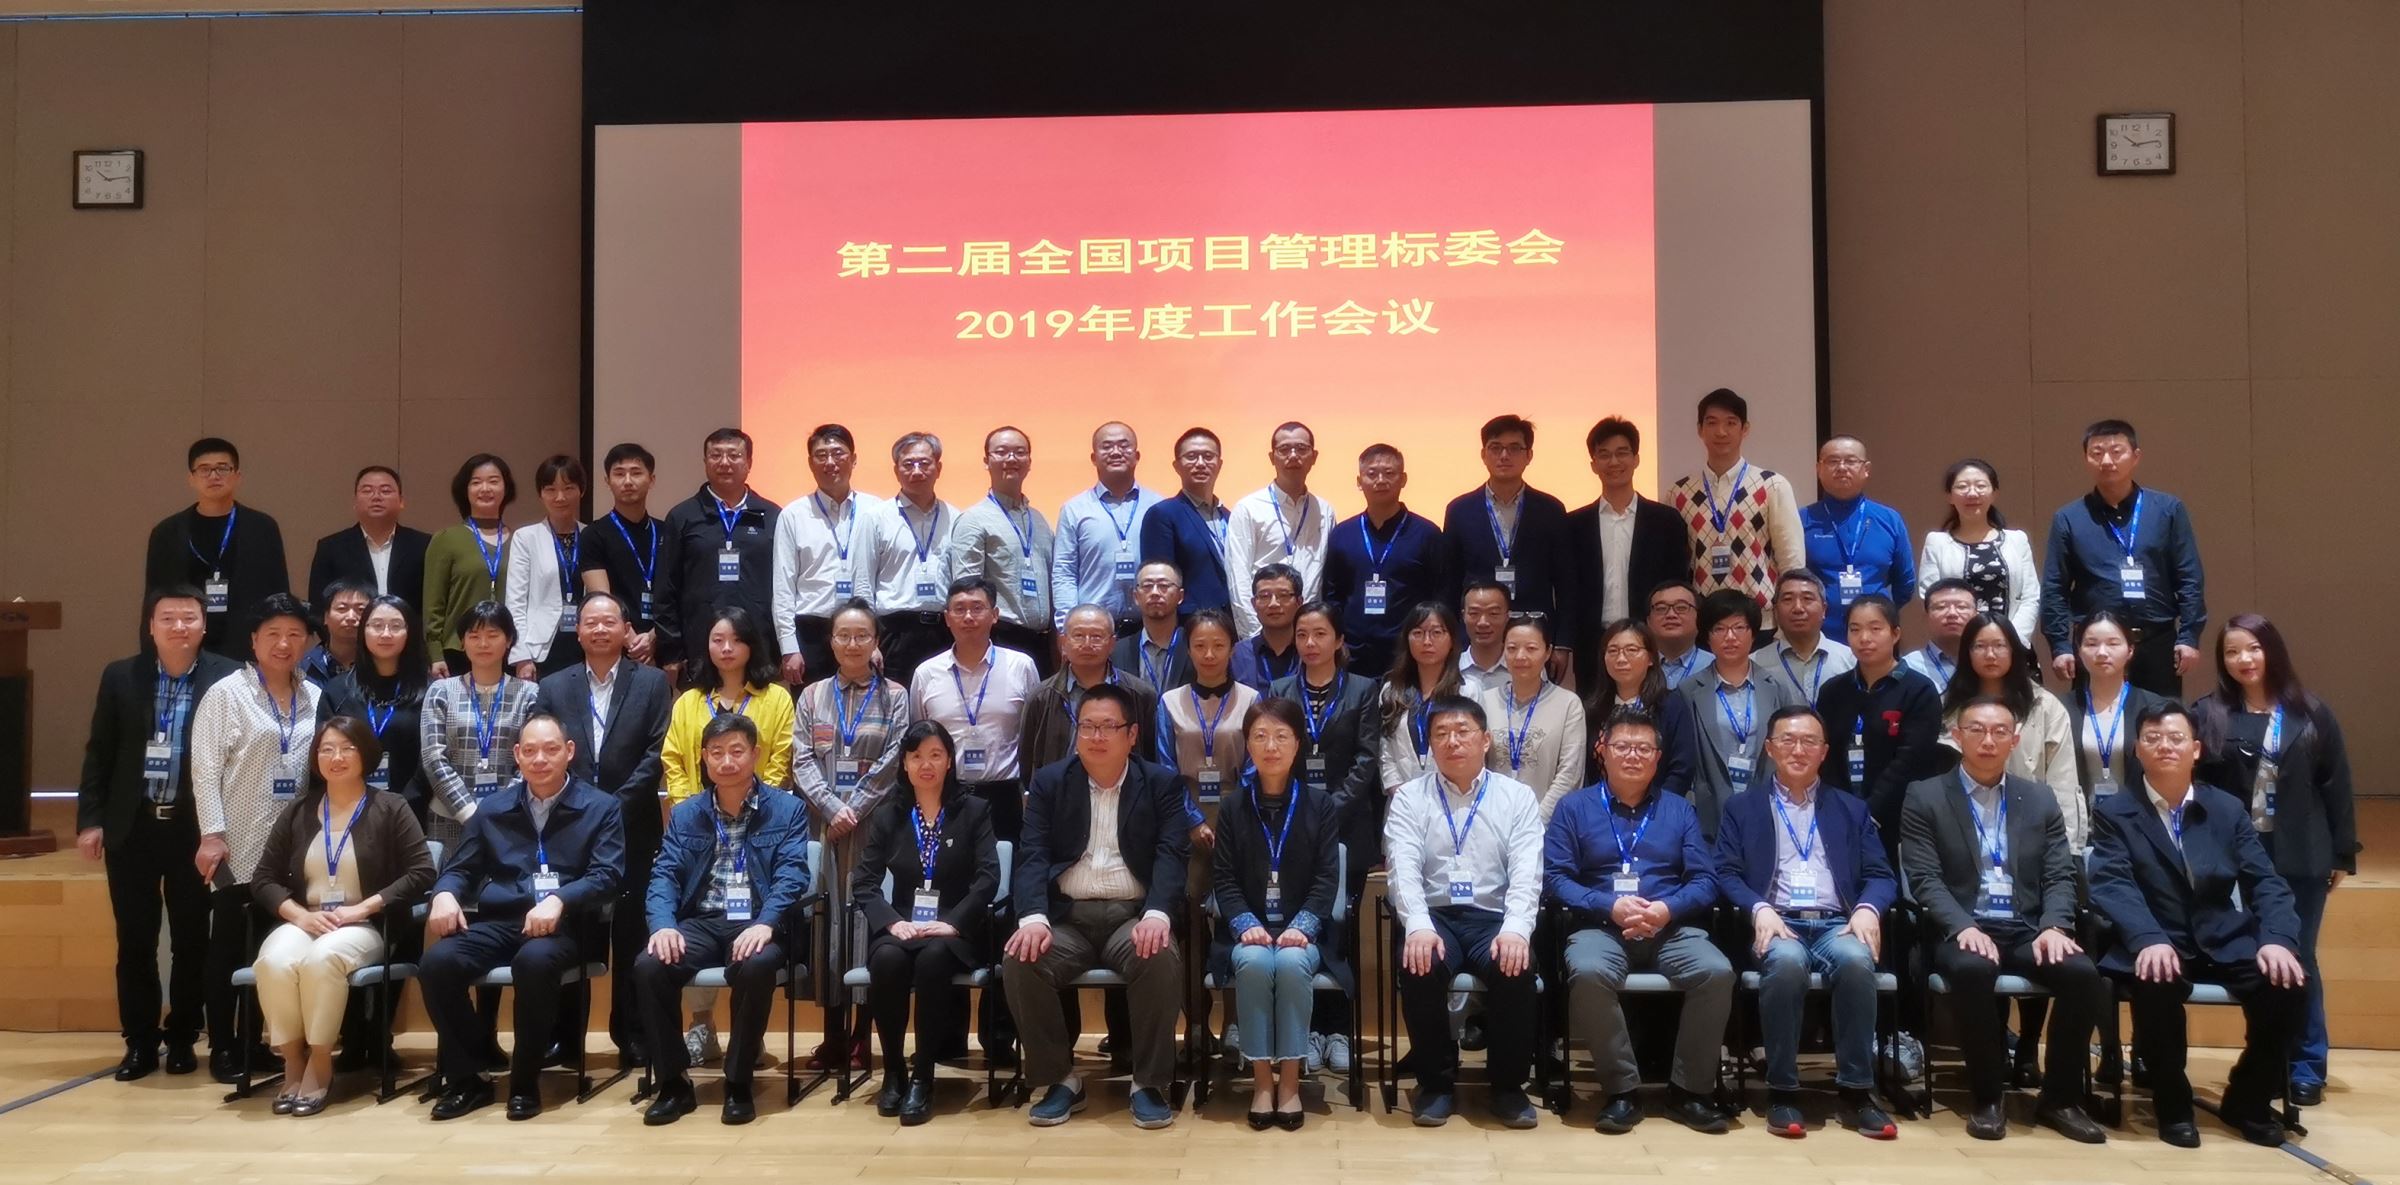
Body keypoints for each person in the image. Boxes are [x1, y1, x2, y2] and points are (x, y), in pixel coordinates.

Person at [2087, 700, 2306, 1148]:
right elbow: (2112, 883)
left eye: (2176, 738)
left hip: (2222, 936)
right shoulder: (2115, 812)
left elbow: (2266, 882)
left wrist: (2278, 939)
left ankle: (2248, 1098)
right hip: (2155, 937)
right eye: (2152, 738)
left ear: (2196, 749)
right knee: (2156, 981)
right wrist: (2148, 938)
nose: (2165, 746)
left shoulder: (2226, 809)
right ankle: (2173, 1104)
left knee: (2288, 985)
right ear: (2137, 750)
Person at [1900, 698, 2109, 1143]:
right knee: (1973, 968)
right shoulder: (1925, 795)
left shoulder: (2038, 797)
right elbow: (1924, 878)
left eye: (1999, 732)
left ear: (2015, 741)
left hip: (2028, 927)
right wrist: (1963, 926)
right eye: (1976, 729)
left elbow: (2059, 873)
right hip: (1962, 928)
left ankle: (2060, 1099)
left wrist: (2055, 925)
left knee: (2081, 974)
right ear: (1957, 736)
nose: (1988, 740)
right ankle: (1987, 1098)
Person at [419, 713, 627, 1120]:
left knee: (533, 962)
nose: (540, 759)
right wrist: (444, 893)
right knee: (437, 963)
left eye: (551, 749)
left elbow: (608, 875)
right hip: (502, 921)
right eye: (530, 751)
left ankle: (525, 1082)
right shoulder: (493, 808)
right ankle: (469, 1078)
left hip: (567, 927)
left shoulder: (601, 807)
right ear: (517, 755)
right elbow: (463, 867)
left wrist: (560, 899)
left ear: (569, 751)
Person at [1002, 683, 1189, 1129]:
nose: (1096, 736)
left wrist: (1157, 914)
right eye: (1087, 726)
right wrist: (1033, 918)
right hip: (1068, 918)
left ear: (1132, 735)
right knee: (1021, 957)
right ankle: (1060, 1080)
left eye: (1108, 726)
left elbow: (1171, 854)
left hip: (1132, 915)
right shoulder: (1050, 782)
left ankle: (1148, 1083)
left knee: (1158, 955)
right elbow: (1032, 855)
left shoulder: (1160, 783)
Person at [78, 586, 242, 1081]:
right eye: (167, 618)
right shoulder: (121, 676)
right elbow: (100, 751)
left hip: (195, 831)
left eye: (188, 617)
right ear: (150, 626)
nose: (178, 627)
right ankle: (140, 1042)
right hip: (133, 827)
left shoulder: (227, 676)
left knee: (191, 939)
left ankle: (184, 1036)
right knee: (135, 940)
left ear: (204, 625)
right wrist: (91, 820)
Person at [2194, 614, 2356, 1105]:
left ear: (2272, 651)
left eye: (2253, 649)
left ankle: (2307, 1065)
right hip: (2235, 860)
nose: (2243, 659)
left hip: (2300, 854)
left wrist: (2342, 853)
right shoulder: (2209, 713)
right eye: (2231, 652)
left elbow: (2336, 784)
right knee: (2252, 959)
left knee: (2298, 956)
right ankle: (2266, 1059)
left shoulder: (2310, 712)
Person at [1715, 704, 1898, 1139]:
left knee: (1856, 961)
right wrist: (1758, 908)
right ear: (1770, 748)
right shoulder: (1742, 808)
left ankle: (1856, 1091)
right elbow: (1725, 872)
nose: (1798, 750)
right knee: (1786, 963)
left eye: (1809, 741)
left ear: (1824, 751)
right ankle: (1782, 1090)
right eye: (1788, 740)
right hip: (1777, 921)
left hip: (1838, 922)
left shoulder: (1851, 809)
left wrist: (1867, 909)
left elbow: (1881, 875)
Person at [1547, 708, 1730, 1134]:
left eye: (1644, 748)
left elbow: (1705, 879)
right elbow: (1555, 879)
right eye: (1623, 746)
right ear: (1603, 751)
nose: (1633, 756)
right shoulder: (1573, 808)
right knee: (1588, 972)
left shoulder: (1679, 810)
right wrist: (1607, 905)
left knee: (1717, 972)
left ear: (1658, 757)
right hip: (1600, 926)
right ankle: (1622, 1092)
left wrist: (1667, 909)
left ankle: (1689, 1092)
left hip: (1669, 927)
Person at [248, 716, 435, 1114]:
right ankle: (292, 1061)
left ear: (365, 754)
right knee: (273, 961)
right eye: (327, 749)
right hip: (307, 919)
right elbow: (263, 878)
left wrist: (364, 907)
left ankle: (320, 1063)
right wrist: (298, 916)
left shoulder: (391, 807)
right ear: (316, 758)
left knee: (323, 959)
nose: (337, 757)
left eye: (347, 748)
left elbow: (422, 872)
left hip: (364, 923)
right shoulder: (299, 810)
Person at [634, 713, 812, 1127]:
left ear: (756, 754)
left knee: (757, 964)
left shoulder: (787, 809)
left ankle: (738, 1080)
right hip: (701, 921)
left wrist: (766, 922)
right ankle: (674, 1083)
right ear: (703, 757)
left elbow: (792, 875)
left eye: (736, 751)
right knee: (649, 965)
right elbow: (664, 874)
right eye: (717, 753)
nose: (727, 761)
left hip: (757, 921)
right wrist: (663, 924)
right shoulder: (686, 813)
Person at [1385, 695, 1543, 1129]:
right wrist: (1417, 926)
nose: (1452, 741)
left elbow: (1527, 871)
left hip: (1493, 917)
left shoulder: (1516, 797)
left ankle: (1507, 1086)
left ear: (1485, 740)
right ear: (1430, 744)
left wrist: (1516, 929)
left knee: (1516, 966)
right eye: (1441, 734)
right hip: (1435, 917)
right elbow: (1402, 869)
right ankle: (1436, 1083)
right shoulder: (1410, 798)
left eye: (1462, 732)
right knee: (1418, 965)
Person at [533, 591, 675, 1069]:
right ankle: (566, 1036)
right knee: (573, 928)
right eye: (590, 622)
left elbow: (657, 752)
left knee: (633, 931)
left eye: (608, 621)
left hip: (634, 824)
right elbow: (547, 751)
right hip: (570, 827)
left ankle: (631, 1033)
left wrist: (611, 807)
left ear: (625, 629)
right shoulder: (554, 686)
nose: (598, 629)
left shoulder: (652, 682)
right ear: (577, 631)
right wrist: (587, 809)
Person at [192, 593, 324, 1083]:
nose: (284, 644)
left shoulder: (315, 696)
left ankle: (255, 1042)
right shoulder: (226, 694)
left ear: (307, 642)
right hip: (238, 844)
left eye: (294, 635)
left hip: (292, 850)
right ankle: (223, 1047)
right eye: (273, 634)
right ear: (253, 640)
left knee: (269, 950)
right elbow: (205, 770)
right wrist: (212, 834)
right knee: (228, 946)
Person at [853, 721, 1000, 1125]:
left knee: (934, 958)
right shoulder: (890, 815)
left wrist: (954, 923)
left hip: (953, 930)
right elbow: (864, 882)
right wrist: (890, 923)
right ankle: (894, 1071)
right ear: (904, 763)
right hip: (902, 925)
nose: (926, 764)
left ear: (950, 761)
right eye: (916, 756)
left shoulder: (974, 811)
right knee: (887, 961)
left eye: (936, 755)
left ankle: (923, 1075)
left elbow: (988, 878)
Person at [1211, 698, 1344, 1131]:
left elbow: (1327, 877)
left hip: (1303, 933)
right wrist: (1245, 923)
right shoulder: (1233, 806)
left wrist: (1302, 926)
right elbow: (1224, 877)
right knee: (1252, 962)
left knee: (1289, 963)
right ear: (1247, 744)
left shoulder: (1320, 805)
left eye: (1281, 736)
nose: (1271, 746)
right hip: (1247, 931)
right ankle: (1261, 1082)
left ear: (1297, 744)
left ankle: (1289, 1082)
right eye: (1261, 736)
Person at [791, 599, 911, 1069]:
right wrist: (831, 807)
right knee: (826, 922)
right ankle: (833, 1035)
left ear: (876, 641)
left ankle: (863, 1035)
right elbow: (802, 758)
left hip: (875, 826)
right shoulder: (812, 696)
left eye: (862, 635)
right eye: (844, 635)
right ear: (831, 641)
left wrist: (854, 808)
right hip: (824, 827)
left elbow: (895, 759)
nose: (853, 643)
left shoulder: (895, 696)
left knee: (865, 918)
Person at [1269, 600, 1380, 1074]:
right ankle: (1308, 1030)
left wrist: (1329, 810)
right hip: (1293, 825)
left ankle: (1339, 1029)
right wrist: (1304, 810)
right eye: (1302, 635)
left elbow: (1367, 757)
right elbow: (1274, 752)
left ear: (1339, 640)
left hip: (1349, 827)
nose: (1310, 643)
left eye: (1320, 634)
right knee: (1303, 922)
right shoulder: (1279, 689)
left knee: (1341, 927)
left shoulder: (1363, 689)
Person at [2040, 420, 2206, 696]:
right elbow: (2054, 587)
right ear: (2086, 459)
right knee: (2095, 720)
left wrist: (2189, 636)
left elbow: (2189, 577)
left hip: (2157, 642)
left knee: (2161, 718)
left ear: (2136, 456)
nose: (2106, 460)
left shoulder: (2167, 510)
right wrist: (2059, 644)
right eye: (2097, 453)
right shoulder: (2068, 518)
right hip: (2096, 647)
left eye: (2116, 452)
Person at [1443, 416, 1573, 682]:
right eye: (1496, 448)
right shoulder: (1459, 510)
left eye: (1514, 448)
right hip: (1476, 636)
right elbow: (1450, 581)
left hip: (1534, 634)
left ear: (1529, 455)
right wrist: (1451, 639)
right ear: (1483, 454)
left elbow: (1566, 582)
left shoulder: (1551, 510)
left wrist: (1562, 643)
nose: (1504, 455)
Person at [1565, 417, 1689, 692]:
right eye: (1604, 454)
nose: (1614, 462)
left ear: (1636, 459)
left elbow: (1677, 582)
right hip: (1593, 645)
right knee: (1595, 712)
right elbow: (1568, 590)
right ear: (1593, 464)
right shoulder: (1574, 525)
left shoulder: (1666, 521)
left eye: (1622, 453)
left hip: (1650, 642)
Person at [1940, 615, 2083, 852]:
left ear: (2014, 651)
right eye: (1980, 646)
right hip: (1962, 831)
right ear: (1967, 653)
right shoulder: (1947, 707)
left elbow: (2063, 783)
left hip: (2031, 831)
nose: (1990, 655)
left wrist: (2065, 849)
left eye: (1999, 645)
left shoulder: (2045, 706)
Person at [1819, 595, 1947, 857]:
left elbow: (1910, 761)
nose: (1864, 638)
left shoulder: (1919, 690)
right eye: (1855, 629)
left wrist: (1871, 812)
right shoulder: (1833, 691)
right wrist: (1843, 810)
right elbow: (1824, 756)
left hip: (1900, 817)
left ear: (1895, 633)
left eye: (1875, 628)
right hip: (1839, 815)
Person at [142, 438, 291, 660]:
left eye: (222, 468)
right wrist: (150, 657)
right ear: (191, 479)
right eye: (204, 469)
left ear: (237, 476)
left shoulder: (262, 527)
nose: (214, 476)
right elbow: (153, 599)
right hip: (184, 645)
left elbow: (279, 595)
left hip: (247, 647)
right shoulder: (168, 532)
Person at [654, 427, 782, 679]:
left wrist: (782, 649)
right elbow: (666, 588)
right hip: (698, 647)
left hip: (760, 646)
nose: (724, 462)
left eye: (734, 455)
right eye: (716, 455)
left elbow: (785, 587)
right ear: (705, 462)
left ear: (749, 463)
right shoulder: (682, 516)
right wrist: (671, 652)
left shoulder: (772, 516)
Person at [1679, 591, 1804, 836]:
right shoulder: (1689, 691)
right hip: (1710, 814)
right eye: (1719, 629)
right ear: (1707, 636)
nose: (1730, 637)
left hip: (1768, 808)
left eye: (1739, 627)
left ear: (1753, 634)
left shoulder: (1776, 687)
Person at [419, 601, 539, 850]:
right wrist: (470, 814)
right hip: (449, 817)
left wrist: (500, 811)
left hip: (511, 820)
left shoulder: (530, 694)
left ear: (509, 640)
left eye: (493, 635)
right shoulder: (441, 691)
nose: (483, 644)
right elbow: (433, 758)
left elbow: (532, 758)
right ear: (462, 642)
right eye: (474, 636)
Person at [772, 424, 885, 687]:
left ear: (853, 459)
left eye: (838, 453)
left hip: (861, 630)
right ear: (810, 463)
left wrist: (874, 639)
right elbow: (783, 585)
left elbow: (881, 577)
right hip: (811, 632)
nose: (830, 462)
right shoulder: (793, 515)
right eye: (821, 455)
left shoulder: (876, 510)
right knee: (813, 708)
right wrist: (789, 647)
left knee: (864, 704)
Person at [1667, 390, 1803, 608]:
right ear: (1700, 429)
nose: (1721, 432)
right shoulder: (1679, 493)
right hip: (1703, 616)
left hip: (1761, 616)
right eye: (1712, 423)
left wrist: (1791, 607)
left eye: (1731, 423)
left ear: (1745, 429)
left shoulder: (1772, 485)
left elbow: (1791, 560)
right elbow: (1675, 564)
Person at [1321, 444, 1445, 678]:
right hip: (1353, 654)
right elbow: (1332, 595)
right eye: (1372, 474)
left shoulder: (1427, 534)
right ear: (1359, 481)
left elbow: (1439, 595)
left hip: (1409, 654)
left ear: (1403, 479)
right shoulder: (1342, 534)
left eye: (1389, 473)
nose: (1380, 480)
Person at [1155, 609, 1257, 892]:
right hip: (1183, 808)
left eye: (1219, 645)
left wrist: (1232, 817)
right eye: (1199, 645)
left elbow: (1254, 764)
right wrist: (1193, 820)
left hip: (1239, 807)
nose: (1209, 654)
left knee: (1235, 891)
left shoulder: (1251, 699)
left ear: (1232, 649)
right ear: (1188, 650)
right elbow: (1165, 766)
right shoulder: (1169, 702)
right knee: (1187, 894)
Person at [662, 607, 796, 809]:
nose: (726, 648)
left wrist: (758, 806)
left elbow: (781, 760)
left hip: (761, 812)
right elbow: (673, 760)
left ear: (751, 644)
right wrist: (686, 808)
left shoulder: (777, 699)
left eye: (737, 640)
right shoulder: (687, 702)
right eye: (718, 640)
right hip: (697, 812)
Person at [855, 431, 957, 685]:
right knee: (894, 704)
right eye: (908, 464)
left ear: (939, 468)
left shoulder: (956, 518)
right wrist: (871, 642)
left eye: (924, 463)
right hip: (894, 633)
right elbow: (863, 583)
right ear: (896, 470)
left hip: (943, 632)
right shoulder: (876, 518)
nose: (917, 471)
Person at [951, 426, 1056, 671]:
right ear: (986, 461)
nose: (1011, 459)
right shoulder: (973, 520)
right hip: (1000, 640)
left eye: (1019, 452)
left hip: (1042, 642)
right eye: (1001, 452)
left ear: (1029, 462)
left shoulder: (1040, 521)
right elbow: (968, 590)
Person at [322, 596, 431, 825]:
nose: (386, 634)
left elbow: (431, 758)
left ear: (410, 631)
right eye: (377, 625)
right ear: (363, 631)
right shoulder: (338, 690)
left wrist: (401, 806)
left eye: (396, 626)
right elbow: (324, 754)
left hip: (411, 812)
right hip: (347, 810)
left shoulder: (430, 690)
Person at [1020, 604, 1161, 774]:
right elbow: (1027, 761)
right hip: (1059, 789)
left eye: (1096, 636)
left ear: (1112, 643)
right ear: (1064, 642)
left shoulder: (1140, 694)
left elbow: (1150, 758)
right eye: (1078, 636)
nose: (1087, 644)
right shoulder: (1041, 696)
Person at [1228, 422, 1337, 637]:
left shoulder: (1324, 511)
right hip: (1262, 632)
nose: (1293, 455)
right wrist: (1256, 636)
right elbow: (1238, 578)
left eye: (1301, 448)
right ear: (1272, 457)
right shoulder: (1248, 509)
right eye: (1284, 449)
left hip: (1309, 636)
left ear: (1314, 457)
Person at [1801, 436, 1914, 642]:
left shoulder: (1889, 519)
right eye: (1833, 461)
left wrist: (1879, 613)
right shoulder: (1802, 520)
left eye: (1851, 461)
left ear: (1866, 469)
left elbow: (1905, 583)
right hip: (1821, 638)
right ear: (1819, 469)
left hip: (1875, 639)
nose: (1841, 468)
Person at [1052, 422, 1161, 635]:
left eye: (1124, 445)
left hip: (1148, 626)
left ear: (1137, 456)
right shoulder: (1074, 509)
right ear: (1094, 458)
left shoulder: (1158, 506)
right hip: (1093, 630)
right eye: (1107, 446)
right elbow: (1064, 571)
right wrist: (1067, 627)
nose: (1116, 452)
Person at [1479, 614, 1587, 823]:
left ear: (1548, 652)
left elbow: (1570, 774)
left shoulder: (1568, 704)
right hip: (1491, 822)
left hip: (1547, 825)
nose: (1520, 656)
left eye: (1531, 648)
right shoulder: (1485, 701)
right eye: (1512, 648)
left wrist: (1536, 823)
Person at [1917, 459, 2037, 642]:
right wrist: (1965, 645)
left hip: (2012, 645)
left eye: (1980, 486)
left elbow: (2030, 597)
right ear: (1949, 495)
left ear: (1994, 493)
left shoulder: (2017, 540)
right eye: (1962, 487)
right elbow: (1931, 597)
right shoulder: (1937, 542)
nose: (1972, 493)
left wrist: (2010, 641)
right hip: (1957, 648)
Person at [423, 454, 516, 677]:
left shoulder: (520, 540)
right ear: (465, 490)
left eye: (493, 481)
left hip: (510, 651)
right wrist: (435, 654)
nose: (485, 488)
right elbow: (433, 604)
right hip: (457, 650)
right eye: (476, 482)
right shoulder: (446, 539)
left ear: (506, 488)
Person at [1587, 619, 1697, 799]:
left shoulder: (1670, 706)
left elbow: (1681, 769)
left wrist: (1658, 808)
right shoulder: (1594, 709)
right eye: (1613, 651)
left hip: (1658, 808)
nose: (1621, 659)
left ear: (1651, 658)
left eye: (1631, 650)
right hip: (1600, 809)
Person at [577, 443, 664, 666]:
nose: (627, 481)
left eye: (636, 473)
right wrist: (634, 644)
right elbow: (602, 597)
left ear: (651, 480)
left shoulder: (667, 532)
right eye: (619, 474)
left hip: (663, 643)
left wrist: (653, 638)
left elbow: (678, 593)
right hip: (617, 647)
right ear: (607, 481)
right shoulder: (593, 534)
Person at [505, 455, 590, 680]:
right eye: (551, 489)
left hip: (586, 644)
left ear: (581, 491)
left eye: (568, 488)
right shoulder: (526, 537)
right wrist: (521, 656)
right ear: (540, 494)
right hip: (540, 649)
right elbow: (515, 601)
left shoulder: (591, 535)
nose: (560, 497)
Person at [2068, 612, 2166, 805]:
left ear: (2130, 650)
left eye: (2113, 644)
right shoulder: (2061, 708)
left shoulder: (2154, 707)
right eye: (2091, 644)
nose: (2102, 652)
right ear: (2079, 651)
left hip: (2139, 818)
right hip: (2079, 818)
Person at [1139, 427, 1235, 618]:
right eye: (1191, 456)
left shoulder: (1228, 516)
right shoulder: (1163, 514)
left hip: (1230, 623)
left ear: (1219, 464)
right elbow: (1160, 581)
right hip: (1189, 624)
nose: (1200, 463)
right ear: (1176, 466)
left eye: (1208, 456)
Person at [307, 465, 430, 610]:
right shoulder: (331, 547)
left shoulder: (424, 545)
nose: (376, 497)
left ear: (401, 501)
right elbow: (318, 605)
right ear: (355, 501)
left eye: (385, 491)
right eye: (367, 491)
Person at [1378, 602, 1464, 806]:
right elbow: (1385, 752)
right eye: (1418, 633)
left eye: (1436, 633)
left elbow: (1472, 751)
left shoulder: (1466, 691)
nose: (1427, 641)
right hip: (1401, 801)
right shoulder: (1391, 691)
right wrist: (1399, 793)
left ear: (1452, 640)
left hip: (1454, 801)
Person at [1766, 570, 1855, 705]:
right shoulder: (1755, 664)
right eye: (1788, 599)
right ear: (1776, 611)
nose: (1798, 608)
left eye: (1807, 599)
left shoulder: (1851, 660)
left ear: (1824, 609)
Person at [1112, 563, 1193, 692]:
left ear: (1180, 596)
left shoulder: (1195, 646)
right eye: (1147, 586)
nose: (1155, 592)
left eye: (1164, 585)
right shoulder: (1117, 651)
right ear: (1136, 596)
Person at [1228, 564, 1303, 691]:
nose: (1273, 604)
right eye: (1264, 596)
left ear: (1299, 602)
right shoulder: (1236, 655)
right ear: (1253, 604)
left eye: (1283, 595)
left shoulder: (1312, 651)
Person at [1902, 579, 1979, 688]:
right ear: (1926, 617)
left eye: (1961, 607)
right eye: (1941, 607)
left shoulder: (1992, 660)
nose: (1952, 613)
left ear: (1976, 615)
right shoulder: (1909, 666)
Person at [301, 580, 372, 688]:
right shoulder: (303, 667)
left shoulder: (382, 664)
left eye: (360, 610)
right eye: (342, 608)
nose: (351, 617)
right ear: (325, 617)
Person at [1456, 581, 1511, 699]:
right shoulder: (1450, 669)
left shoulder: (1524, 666)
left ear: (1507, 616)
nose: (1483, 623)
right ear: (1463, 616)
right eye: (1474, 613)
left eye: (1493, 613)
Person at [1646, 581, 1703, 690]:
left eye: (1681, 607)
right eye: (1661, 608)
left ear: (1699, 618)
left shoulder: (1716, 666)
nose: (1671, 615)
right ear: (1648, 621)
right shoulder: (1634, 665)